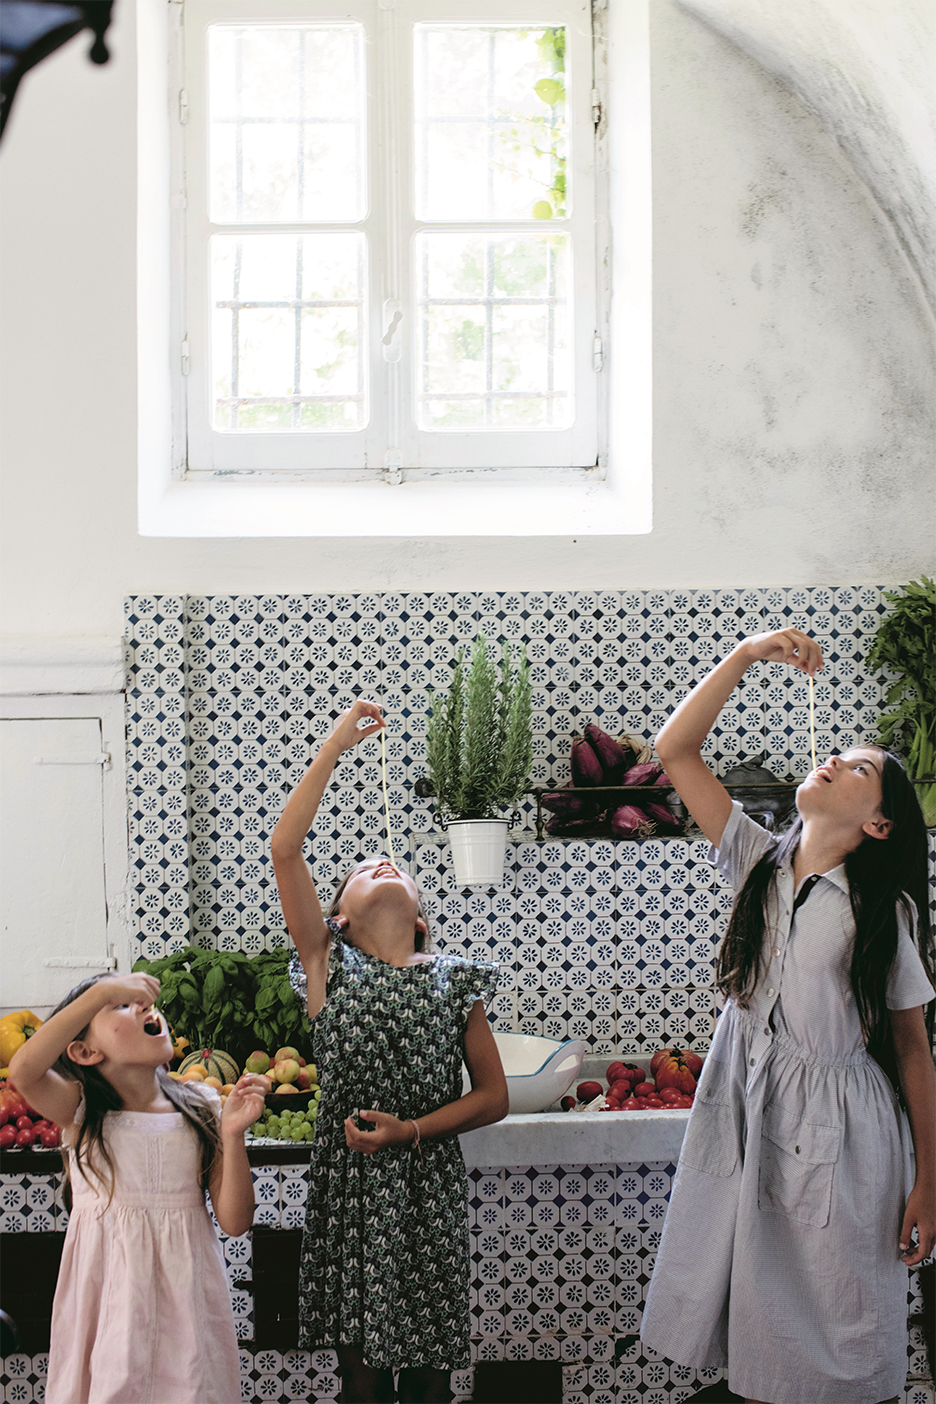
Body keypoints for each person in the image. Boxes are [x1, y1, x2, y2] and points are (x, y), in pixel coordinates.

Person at [640, 627, 936, 1404]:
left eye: (860, 767)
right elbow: (675, 751)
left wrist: (930, 1181)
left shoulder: (881, 916)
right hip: (749, 1114)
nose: (835, 759)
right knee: (759, 1346)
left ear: (879, 824)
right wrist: (743, 653)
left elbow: (913, 1049)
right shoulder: (756, 862)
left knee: (841, 1333)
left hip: (847, 1142)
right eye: (839, 751)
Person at [271, 699, 509, 1404]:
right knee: (362, 1378)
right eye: (362, 869)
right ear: (338, 917)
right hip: (351, 1191)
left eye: (393, 867)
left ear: (421, 914)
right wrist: (334, 747)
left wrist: (411, 1132)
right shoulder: (327, 964)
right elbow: (286, 847)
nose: (381, 861)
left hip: (426, 1185)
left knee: (431, 1377)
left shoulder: (454, 978)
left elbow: (492, 1098)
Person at [8, 971, 271, 1404]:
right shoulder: (82, 1110)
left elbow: (236, 1220)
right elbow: (23, 1070)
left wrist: (234, 1133)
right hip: (110, 1301)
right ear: (84, 1051)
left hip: (185, 1303)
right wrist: (101, 991)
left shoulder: (202, 1105)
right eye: (120, 1006)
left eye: (143, 1002)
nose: (146, 1008)